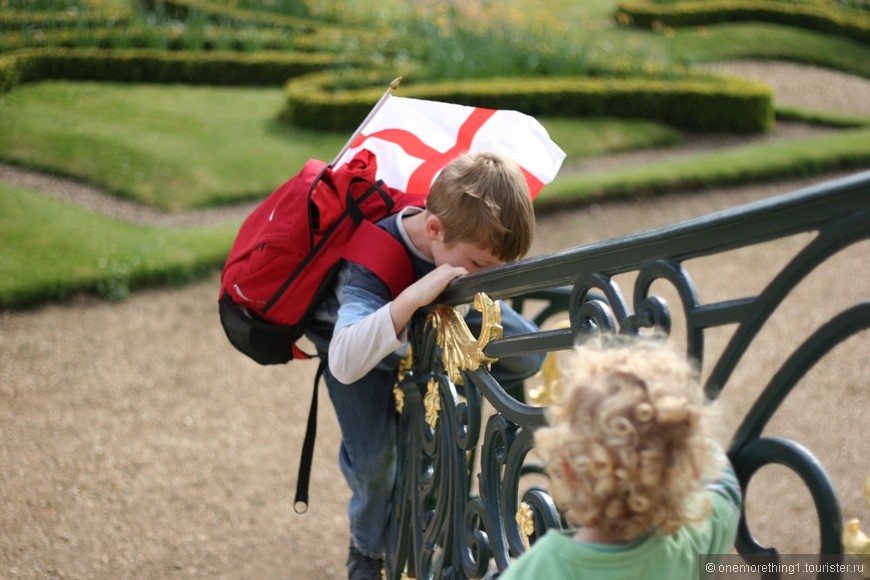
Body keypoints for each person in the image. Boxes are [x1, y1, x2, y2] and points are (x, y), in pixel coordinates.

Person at [306, 151, 545, 580]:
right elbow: (344, 361)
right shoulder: (374, 257)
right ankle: (366, 550)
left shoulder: (458, 255)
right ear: (433, 228)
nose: (481, 279)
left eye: (494, 272)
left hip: (425, 338)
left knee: (527, 350)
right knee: (377, 465)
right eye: (478, 267)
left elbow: (530, 354)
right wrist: (413, 298)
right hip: (365, 355)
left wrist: (456, 364)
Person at [500, 336, 742, 580]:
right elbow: (726, 491)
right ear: (690, 471)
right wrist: (684, 436)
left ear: (566, 468)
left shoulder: (541, 569)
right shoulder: (689, 545)